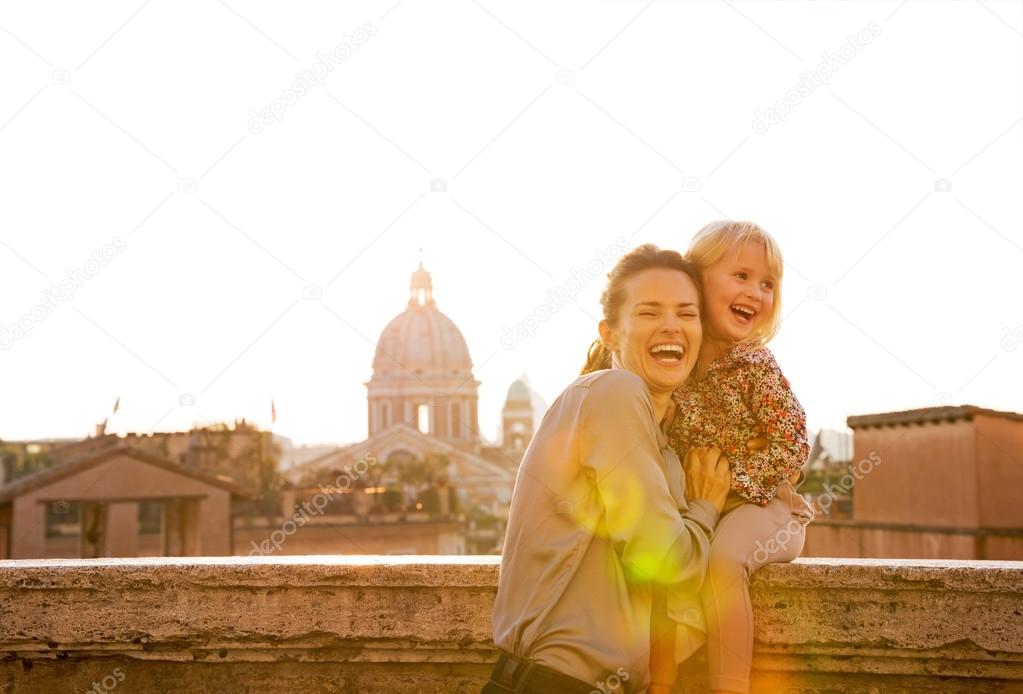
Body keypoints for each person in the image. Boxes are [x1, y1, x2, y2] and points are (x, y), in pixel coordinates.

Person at [484, 244, 731, 694]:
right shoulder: (613, 393)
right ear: (610, 334)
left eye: (687, 313)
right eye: (649, 312)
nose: (671, 325)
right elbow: (666, 561)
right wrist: (705, 509)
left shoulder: (662, 442)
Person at [649, 220, 815, 694]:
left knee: (722, 561)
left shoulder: (754, 365)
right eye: (740, 276)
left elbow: (793, 445)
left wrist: (730, 482)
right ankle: (658, 682)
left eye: (767, 284)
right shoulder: (678, 367)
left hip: (770, 510)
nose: (755, 292)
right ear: (697, 281)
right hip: (706, 509)